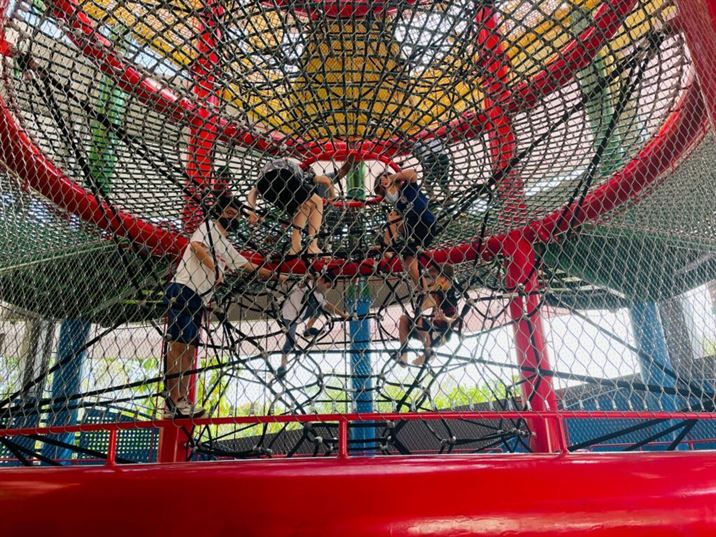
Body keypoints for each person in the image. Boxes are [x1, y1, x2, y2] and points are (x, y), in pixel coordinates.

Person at [164, 189, 285, 418]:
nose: (233, 218)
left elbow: (247, 265)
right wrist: (215, 267)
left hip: (199, 298)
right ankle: (174, 400)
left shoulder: (226, 245)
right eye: (229, 212)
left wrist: (277, 276)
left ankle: (180, 400)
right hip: (183, 288)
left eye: (236, 215)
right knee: (179, 346)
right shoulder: (209, 227)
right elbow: (196, 247)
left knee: (190, 351)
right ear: (219, 213)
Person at [246, 158, 352, 256]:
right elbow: (326, 180)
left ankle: (295, 249)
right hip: (282, 174)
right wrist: (332, 196)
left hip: (265, 187)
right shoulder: (307, 176)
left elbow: (253, 192)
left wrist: (251, 210)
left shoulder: (297, 195)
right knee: (317, 202)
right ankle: (313, 246)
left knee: (302, 210)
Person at [374, 167, 440, 287]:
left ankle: (387, 246)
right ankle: (424, 292)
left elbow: (413, 174)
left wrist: (391, 178)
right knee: (409, 260)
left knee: (393, 216)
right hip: (412, 232)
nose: (386, 197)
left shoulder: (408, 188)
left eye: (385, 192)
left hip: (425, 223)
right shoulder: (397, 205)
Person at [277, 270, 348, 379]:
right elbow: (302, 283)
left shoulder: (319, 295)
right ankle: (283, 365)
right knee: (290, 340)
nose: (327, 290)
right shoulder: (308, 284)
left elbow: (328, 306)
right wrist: (309, 277)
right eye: (327, 286)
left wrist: (342, 314)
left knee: (321, 306)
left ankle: (308, 329)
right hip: (288, 315)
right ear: (322, 280)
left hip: (298, 317)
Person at [391, 262, 460, 367]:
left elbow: (457, 320)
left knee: (420, 320)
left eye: (434, 277)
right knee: (404, 319)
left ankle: (428, 352)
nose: (432, 281)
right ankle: (404, 354)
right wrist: (420, 309)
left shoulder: (450, 296)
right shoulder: (437, 290)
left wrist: (444, 318)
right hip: (430, 330)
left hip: (441, 335)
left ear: (444, 279)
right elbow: (425, 294)